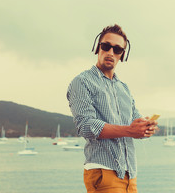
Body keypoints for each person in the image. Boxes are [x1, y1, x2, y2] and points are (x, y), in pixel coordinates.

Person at [67, 24, 159, 193]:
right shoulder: (82, 82)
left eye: (117, 49)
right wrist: (130, 131)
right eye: (106, 46)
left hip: (130, 175)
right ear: (97, 47)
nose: (110, 52)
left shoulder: (124, 88)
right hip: (103, 171)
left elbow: (134, 121)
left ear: (122, 55)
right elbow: (86, 126)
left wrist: (145, 127)